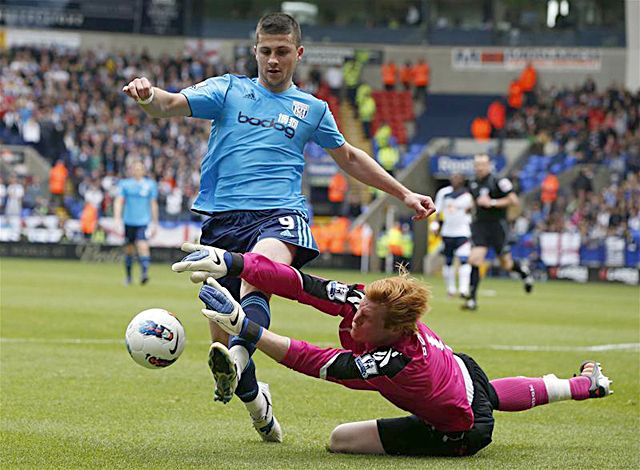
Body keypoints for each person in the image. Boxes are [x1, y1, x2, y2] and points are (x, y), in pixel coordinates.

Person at [125, 13, 436, 443]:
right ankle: (256, 402)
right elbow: (169, 104)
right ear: (255, 51)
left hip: (279, 214)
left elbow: (349, 158)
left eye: (282, 51)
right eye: (266, 51)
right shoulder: (228, 89)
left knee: (258, 273)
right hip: (222, 221)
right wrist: (146, 94)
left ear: (298, 53)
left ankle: (235, 357)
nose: (273, 60)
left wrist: (403, 194)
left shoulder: (312, 108)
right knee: (223, 325)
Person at [180, 247, 612, 455]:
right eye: (359, 305)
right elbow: (301, 284)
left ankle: (578, 385)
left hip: (458, 429)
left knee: (338, 441)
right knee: (486, 396)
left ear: (391, 330)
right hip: (463, 374)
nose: (355, 317)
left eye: (365, 319)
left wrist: (242, 326)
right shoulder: (374, 308)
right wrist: (233, 263)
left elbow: (320, 362)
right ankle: (583, 384)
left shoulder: (399, 363)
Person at [463, 155, 533, 311]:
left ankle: (523, 272)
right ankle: (472, 300)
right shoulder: (472, 182)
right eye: (477, 165)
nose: (479, 167)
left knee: (506, 264)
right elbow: (476, 201)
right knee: (474, 260)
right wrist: (471, 207)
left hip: (497, 226)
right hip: (480, 225)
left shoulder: (499, 181)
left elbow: (514, 200)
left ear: (489, 165)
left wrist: (492, 203)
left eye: (482, 164)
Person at [113, 161, 159, 286]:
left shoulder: (150, 185)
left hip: (143, 222)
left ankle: (144, 274)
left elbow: (153, 204)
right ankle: (128, 277)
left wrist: (155, 223)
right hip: (129, 221)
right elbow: (119, 201)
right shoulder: (125, 184)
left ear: (144, 171)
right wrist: (117, 218)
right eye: (135, 169)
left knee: (143, 245)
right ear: (131, 170)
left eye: (140, 169)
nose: (137, 171)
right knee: (129, 250)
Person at [434, 174, 473, 298]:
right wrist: (436, 225)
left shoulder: (467, 195)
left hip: (463, 232)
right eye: (454, 177)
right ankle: (450, 289)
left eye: (458, 178)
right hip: (447, 232)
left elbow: (471, 210)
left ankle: (463, 289)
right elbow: (437, 211)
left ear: (462, 180)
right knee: (448, 261)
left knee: (464, 260)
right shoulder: (444, 193)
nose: (456, 180)